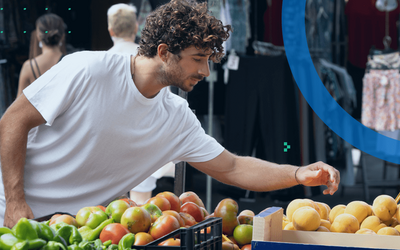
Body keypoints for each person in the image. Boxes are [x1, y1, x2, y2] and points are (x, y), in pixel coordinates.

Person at [0, 0, 340, 228]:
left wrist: (297, 173)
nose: (206, 71)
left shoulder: (176, 117)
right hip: (9, 212)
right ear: (164, 52)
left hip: (70, 230)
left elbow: (233, 167)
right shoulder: (89, 69)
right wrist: (15, 201)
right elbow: (13, 120)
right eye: (198, 58)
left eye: (209, 59)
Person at [106, 3, 175, 204]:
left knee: (113, 210)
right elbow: (165, 103)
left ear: (110, 30)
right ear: (136, 27)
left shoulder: (104, 60)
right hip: (144, 140)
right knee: (141, 211)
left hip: (111, 143)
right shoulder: (151, 60)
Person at [17, 13, 66, 97]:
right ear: (62, 36)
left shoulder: (29, 66)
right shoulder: (71, 63)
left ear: (38, 36)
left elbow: (18, 104)